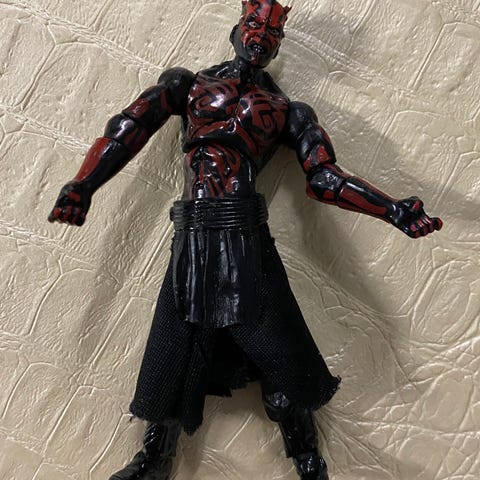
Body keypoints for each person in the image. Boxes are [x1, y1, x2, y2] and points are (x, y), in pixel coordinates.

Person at [48, 1, 443, 479]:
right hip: (195, 230)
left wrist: (392, 209)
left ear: (279, 44)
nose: (261, 36)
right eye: (255, 24)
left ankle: (307, 457)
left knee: (282, 349)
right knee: (175, 347)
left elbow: (325, 179)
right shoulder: (187, 85)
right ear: (237, 28)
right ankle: (155, 458)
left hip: (246, 232)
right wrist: (83, 184)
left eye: (272, 32)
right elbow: (128, 129)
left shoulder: (287, 111)